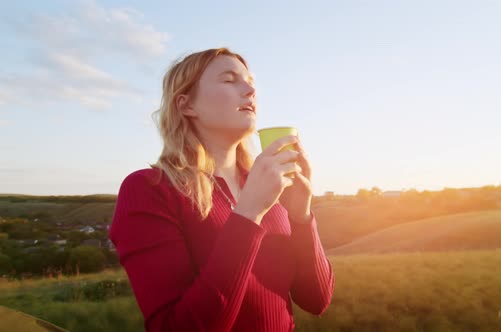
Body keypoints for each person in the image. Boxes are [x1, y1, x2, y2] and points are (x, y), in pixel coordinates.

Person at [109, 48, 335, 332]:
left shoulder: (269, 187)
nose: (250, 89)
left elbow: (317, 300)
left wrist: (302, 216)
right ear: (186, 105)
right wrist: (249, 213)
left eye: (250, 81)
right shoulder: (149, 189)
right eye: (229, 80)